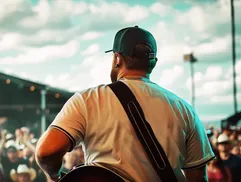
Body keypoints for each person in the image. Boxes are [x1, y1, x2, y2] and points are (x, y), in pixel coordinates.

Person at [35, 26, 215, 182]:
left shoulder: (88, 100)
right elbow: (198, 177)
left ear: (117, 58)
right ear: (153, 63)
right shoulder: (184, 109)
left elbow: (46, 152)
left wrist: (57, 176)